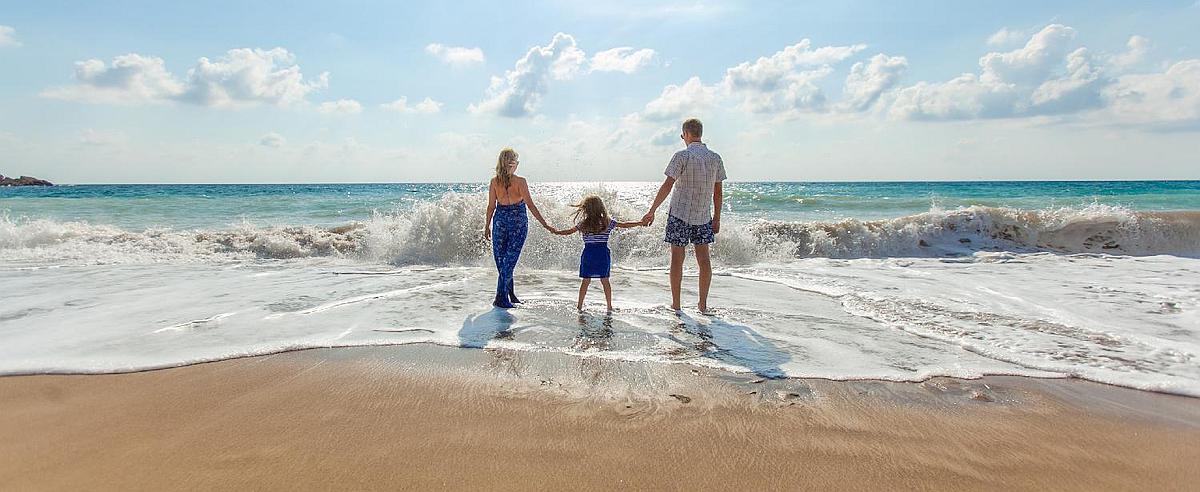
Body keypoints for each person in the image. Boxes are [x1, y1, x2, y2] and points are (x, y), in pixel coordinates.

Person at [640, 118, 726, 312]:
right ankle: (702, 305)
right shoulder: (715, 158)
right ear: (700, 134)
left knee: (677, 260)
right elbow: (718, 193)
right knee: (704, 260)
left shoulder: (682, 156)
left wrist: (652, 210)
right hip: (703, 216)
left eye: (682, 135)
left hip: (679, 214)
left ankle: (676, 305)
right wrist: (717, 218)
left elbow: (668, 185)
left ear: (686, 134)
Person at [484, 148, 553, 309]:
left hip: (500, 222)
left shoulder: (495, 181)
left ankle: (510, 295)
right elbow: (530, 205)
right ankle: (501, 298)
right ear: (512, 163)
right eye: (516, 161)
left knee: (504, 262)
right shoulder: (520, 181)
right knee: (507, 262)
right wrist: (545, 224)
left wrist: (487, 225)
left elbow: (491, 207)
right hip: (517, 223)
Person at [550, 195, 643, 312]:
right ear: (601, 208)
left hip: (589, 254)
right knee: (605, 280)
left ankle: (579, 306)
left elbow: (568, 232)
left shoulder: (584, 224)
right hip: (602, 254)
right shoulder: (607, 222)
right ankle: (609, 306)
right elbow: (624, 225)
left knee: (585, 281)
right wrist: (640, 223)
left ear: (586, 209)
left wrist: (556, 232)